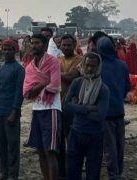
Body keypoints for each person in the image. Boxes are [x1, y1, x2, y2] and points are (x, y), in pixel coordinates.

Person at [65, 52, 110, 180]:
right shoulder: (77, 83)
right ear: (83, 65)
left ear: (99, 67)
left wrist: (77, 107)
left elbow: (100, 116)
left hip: (94, 136)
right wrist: (88, 108)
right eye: (87, 65)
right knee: (72, 172)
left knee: (93, 173)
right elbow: (66, 106)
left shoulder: (103, 89)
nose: (90, 69)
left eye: (93, 66)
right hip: (75, 133)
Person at [23, 34, 61, 180]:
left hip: (51, 109)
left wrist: (36, 87)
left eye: (37, 43)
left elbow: (55, 86)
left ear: (45, 46)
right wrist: (45, 82)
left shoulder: (53, 62)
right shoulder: (30, 67)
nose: (33, 45)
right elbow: (26, 92)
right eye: (32, 43)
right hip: (37, 109)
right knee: (40, 150)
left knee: (50, 150)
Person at [0, 39, 25, 180]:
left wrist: (14, 111)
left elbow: (19, 92)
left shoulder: (19, 69)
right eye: (4, 49)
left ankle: (13, 174)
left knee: (12, 145)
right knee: (0, 144)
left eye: (9, 49)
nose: (6, 51)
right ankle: (4, 172)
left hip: (11, 113)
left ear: (15, 50)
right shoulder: (0, 68)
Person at [97, 37, 131, 180]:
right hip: (119, 111)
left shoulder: (97, 66)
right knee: (119, 146)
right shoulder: (122, 65)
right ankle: (119, 172)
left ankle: (114, 174)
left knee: (109, 147)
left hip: (104, 113)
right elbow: (127, 89)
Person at [57, 34, 83, 179]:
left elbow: (71, 77)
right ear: (60, 46)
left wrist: (55, 73)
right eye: (63, 45)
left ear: (74, 46)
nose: (66, 47)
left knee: (73, 145)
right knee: (59, 145)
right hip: (58, 106)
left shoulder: (80, 60)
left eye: (68, 45)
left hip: (73, 108)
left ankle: (74, 173)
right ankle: (62, 173)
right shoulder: (57, 60)